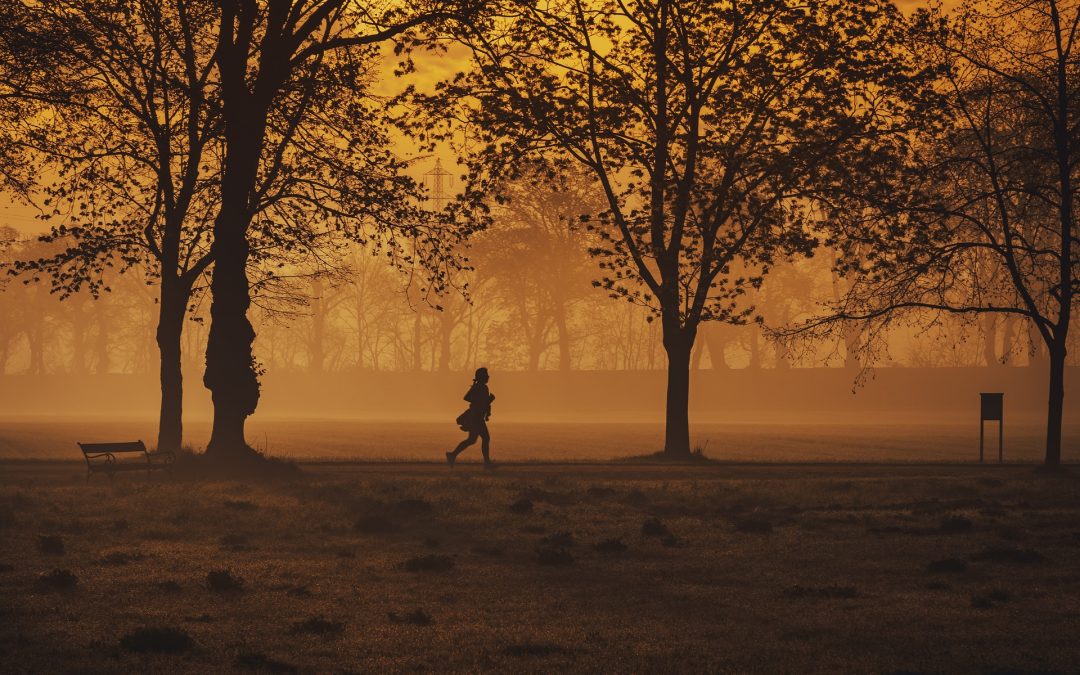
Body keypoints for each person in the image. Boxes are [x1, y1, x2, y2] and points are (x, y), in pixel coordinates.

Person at [447, 367, 495, 468]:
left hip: (476, 417)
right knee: (485, 438)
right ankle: (487, 463)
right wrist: (485, 401)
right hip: (476, 417)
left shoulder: (482, 387)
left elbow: (483, 402)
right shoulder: (480, 387)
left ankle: (452, 455)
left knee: (472, 440)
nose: (488, 377)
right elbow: (467, 398)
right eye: (486, 375)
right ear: (482, 377)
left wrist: (487, 406)